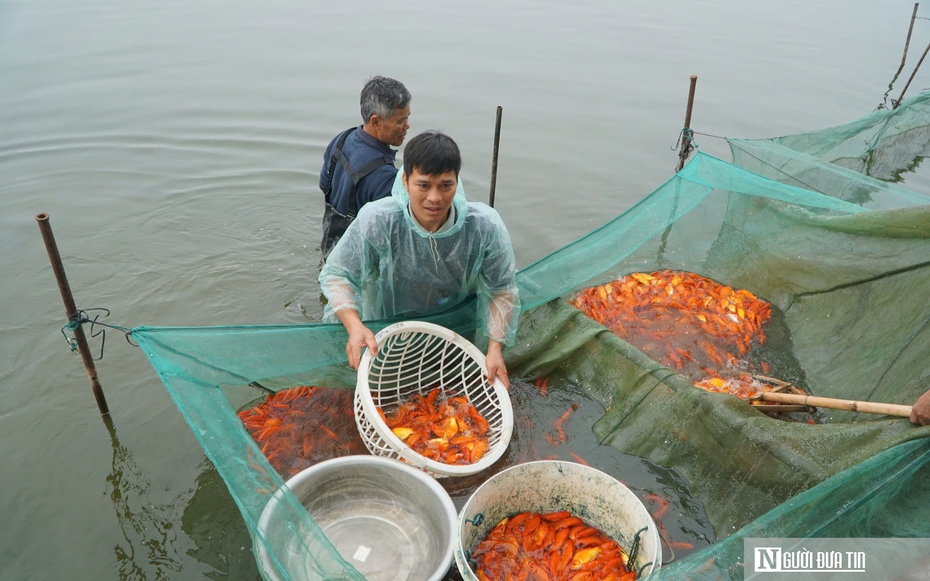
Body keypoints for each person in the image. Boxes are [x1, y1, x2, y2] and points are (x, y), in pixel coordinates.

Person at [319, 130, 520, 387]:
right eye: (423, 185)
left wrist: (494, 349)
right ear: (405, 181)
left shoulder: (484, 227)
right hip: (387, 333)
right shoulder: (379, 220)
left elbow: (501, 290)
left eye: (446, 185)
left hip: (457, 335)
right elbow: (338, 275)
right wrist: (354, 325)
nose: (435, 198)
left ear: (457, 182)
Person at [319, 76, 411, 261]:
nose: (407, 126)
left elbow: (324, 185)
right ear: (376, 121)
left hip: (330, 247)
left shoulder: (341, 139)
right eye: (401, 120)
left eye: (408, 117)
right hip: (358, 264)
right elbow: (393, 237)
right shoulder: (386, 177)